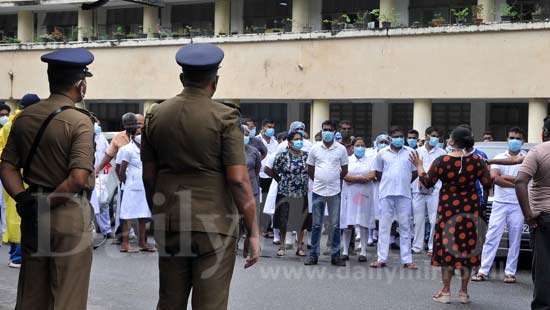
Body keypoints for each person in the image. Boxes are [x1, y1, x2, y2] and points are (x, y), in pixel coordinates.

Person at [141, 43, 260, 310]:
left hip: (171, 220)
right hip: (214, 223)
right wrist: (253, 230)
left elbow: (149, 177)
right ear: (214, 82)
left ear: (182, 78)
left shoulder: (155, 115)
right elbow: (239, 180)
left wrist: (160, 212)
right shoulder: (225, 117)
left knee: (169, 302)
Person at [0, 48, 96, 309]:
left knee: (32, 292)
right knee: (68, 294)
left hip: (34, 212)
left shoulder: (25, 118)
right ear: (81, 85)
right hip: (68, 213)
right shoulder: (80, 121)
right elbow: (77, 178)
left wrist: (23, 198)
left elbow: (7, 166)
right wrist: (48, 203)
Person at [411, 126, 492, 304]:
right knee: (466, 250)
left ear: (453, 141)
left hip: (448, 211)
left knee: (447, 249)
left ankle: (446, 291)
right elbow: (487, 183)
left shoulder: (442, 160)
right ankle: (463, 292)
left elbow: (427, 183)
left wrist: (419, 166)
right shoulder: (478, 161)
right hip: (470, 211)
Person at [472, 127, 527, 284]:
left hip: (518, 204)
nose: (514, 141)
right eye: (511, 137)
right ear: (507, 139)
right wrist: (517, 181)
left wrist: (508, 179)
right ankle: (483, 270)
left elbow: (526, 180)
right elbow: (495, 179)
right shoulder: (498, 156)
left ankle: (510, 273)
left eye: (517, 138)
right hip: (499, 203)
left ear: (522, 141)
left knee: (514, 239)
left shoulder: (527, 158)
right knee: (491, 237)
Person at [370, 127, 418, 269]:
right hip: (386, 194)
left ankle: (407, 260)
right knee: (384, 227)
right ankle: (381, 258)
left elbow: (414, 173)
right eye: (396, 136)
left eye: (401, 137)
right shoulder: (382, 153)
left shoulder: (410, 152)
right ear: (390, 138)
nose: (399, 139)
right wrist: (389, 181)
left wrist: (404, 181)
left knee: (405, 227)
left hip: (404, 194)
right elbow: (378, 173)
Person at [515, 116, 550, 310]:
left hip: (543, 218)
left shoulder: (538, 152)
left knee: (544, 268)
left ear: (543, 133)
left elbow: (520, 181)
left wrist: (528, 214)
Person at [304, 120, 348, 267]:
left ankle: (336, 256)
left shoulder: (341, 149)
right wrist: (319, 179)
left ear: (335, 132)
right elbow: (310, 168)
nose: (326, 132)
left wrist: (333, 178)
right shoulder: (315, 148)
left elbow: (345, 170)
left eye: (329, 129)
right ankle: (313, 255)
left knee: (335, 224)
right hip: (318, 190)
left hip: (335, 191)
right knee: (317, 224)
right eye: (324, 129)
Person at [271, 131, 309, 257]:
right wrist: (281, 181)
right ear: (289, 142)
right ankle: (282, 245)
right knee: (284, 219)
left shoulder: (306, 156)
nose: (299, 141)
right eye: (296, 139)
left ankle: (299, 246)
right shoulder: (282, 156)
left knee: (301, 221)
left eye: (300, 139)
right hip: (285, 192)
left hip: (301, 192)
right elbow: (273, 169)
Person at [340, 137, 376, 262]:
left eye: (362, 145)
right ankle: (345, 251)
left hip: (364, 195)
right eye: (357, 145)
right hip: (349, 195)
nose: (360, 148)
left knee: (363, 223)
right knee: (348, 223)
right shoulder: (348, 160)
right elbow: (344, 175)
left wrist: (355, 179)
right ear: (353, 147)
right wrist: (361, 179)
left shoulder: (371, 160)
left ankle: (363, 252)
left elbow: (372, 174)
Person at [412, 126, 447, 255]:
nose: (435, 139)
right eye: (433, 135)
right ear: (426, 135)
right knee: (418, 219)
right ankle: (417, 246)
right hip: (418, 190)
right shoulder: (417, 151)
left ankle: (432, 247)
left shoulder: (442, 153)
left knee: (434, 219)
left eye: (437, 137)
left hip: (435, 190)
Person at [117, 134, 154, 253]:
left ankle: (142, 242)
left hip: (143, 187)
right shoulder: (128, 150)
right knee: (127, 215)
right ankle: (125, 244)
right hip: (131, 187)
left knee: (143, 215)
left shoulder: (144, 151)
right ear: (138, 143)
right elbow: (121, 170)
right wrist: (126, 182)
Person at [90, 120, 113, 239]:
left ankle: (106, 230)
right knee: (91, 205)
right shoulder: (84, 138)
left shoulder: (101, 138)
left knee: (103, 203)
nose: (97, 127)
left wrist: (104, 172)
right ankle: (91, 230)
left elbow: (108, 156)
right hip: (87, 176)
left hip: (100, 177)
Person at [243, 125, 262, 236]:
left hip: (252, 189)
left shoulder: (254, 151)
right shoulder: (231, 150)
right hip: (237, 189)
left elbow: (257, 169)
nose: (244, 136)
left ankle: (249, 246)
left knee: (252, 218)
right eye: (242, 134)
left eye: (246, 134)